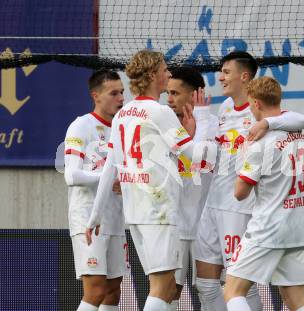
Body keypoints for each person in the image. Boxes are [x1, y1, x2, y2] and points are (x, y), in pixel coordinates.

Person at [85, 50, 215, 311]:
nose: (169, 74)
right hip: (159, 211)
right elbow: (194, 154)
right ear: (154, 74)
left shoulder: (123, 114)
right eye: (165, 69)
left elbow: (112, 164)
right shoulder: (159, 111)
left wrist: (95, 215)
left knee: (166, 288)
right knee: (162, 286)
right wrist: (209, 128)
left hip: (135, 212)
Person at [194, 51, 304, 311]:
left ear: (244, 76)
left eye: (226, 72)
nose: (220, 77)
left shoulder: (261, 110)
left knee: (236, 286)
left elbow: (300, 120)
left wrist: (268, 122)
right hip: (214, 202)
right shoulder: (223, 108)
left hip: (239, 207)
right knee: (206, 282)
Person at [224, 76, 304, 311]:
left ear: (256, 103)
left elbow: (239, 193)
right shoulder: (300, 134)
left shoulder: (260, 144)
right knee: (295, 298)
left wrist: (243, 156)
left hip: (269, 227)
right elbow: (301, 120)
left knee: (232, 290)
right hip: (296, 226)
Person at [64, 69, 129, 311]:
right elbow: (71, 175)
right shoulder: (81, 126)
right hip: (88, 218)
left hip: (115, 218)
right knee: (96, 289)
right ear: (96, 96)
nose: (121, 98)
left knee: (113, 290)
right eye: (114, 93)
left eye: (122, 92)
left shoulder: (123, 130)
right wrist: (106, 176)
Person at [167, 66, 218, 310]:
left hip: (206, 225)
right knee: (169, 290)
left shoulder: (215, 126)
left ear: (195, 94)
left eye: (175, 93)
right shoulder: (163, 126)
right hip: (173, 223)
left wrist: (193, 137)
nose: (169, 100)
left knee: (208, 290)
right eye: (168, 93)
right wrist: (184, 140)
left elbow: (202, 164)